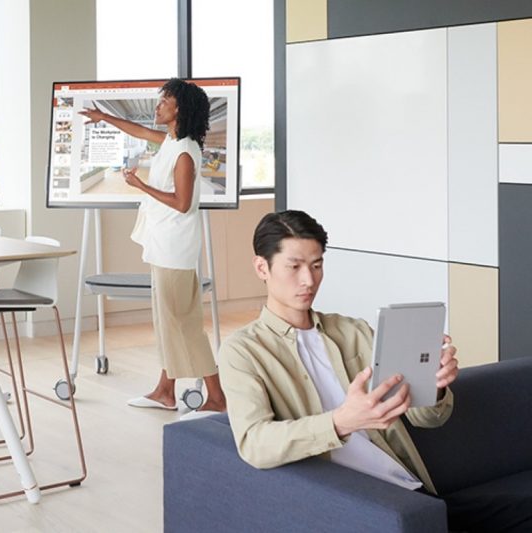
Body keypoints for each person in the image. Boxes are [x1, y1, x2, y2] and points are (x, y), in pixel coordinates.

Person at [221, 210, 532, 531]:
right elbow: (254, 443)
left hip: (411, 495)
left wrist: (434, 386)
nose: (309, 280)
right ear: (262, 267)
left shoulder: (354, 331)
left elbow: (427, 418)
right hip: (352, 504)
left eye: (317, 265)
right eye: (294, 266)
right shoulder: (242, 351)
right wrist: (341, 422)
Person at [79, 79, 226, 413]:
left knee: (181, 323)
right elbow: (137, 130)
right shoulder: (171, 142)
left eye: (165, 100)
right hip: (165, 245)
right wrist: (105, 118)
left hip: (175, 249)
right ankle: (165, 390)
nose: (158, 105)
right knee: (170, 321)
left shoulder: (185, 153)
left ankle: (217, 397)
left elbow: (183, 203)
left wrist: (140, 185)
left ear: (180, 109)